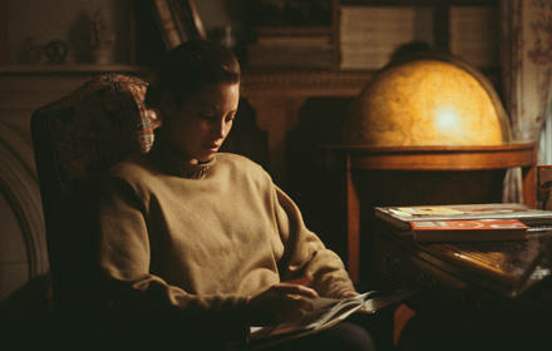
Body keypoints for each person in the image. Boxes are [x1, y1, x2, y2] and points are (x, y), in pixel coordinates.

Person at [96, 40, 375, 350]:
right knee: (352, 344)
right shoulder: (130, 185)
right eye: (207, 116)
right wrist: (246, 309)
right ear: (170, 104)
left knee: (359, 335)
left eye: (230, 117)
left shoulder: (248, 175)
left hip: (276, 331)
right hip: (206, 337)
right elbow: (131, 292)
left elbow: (311, 254)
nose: (220, 132)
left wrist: (342, 294)